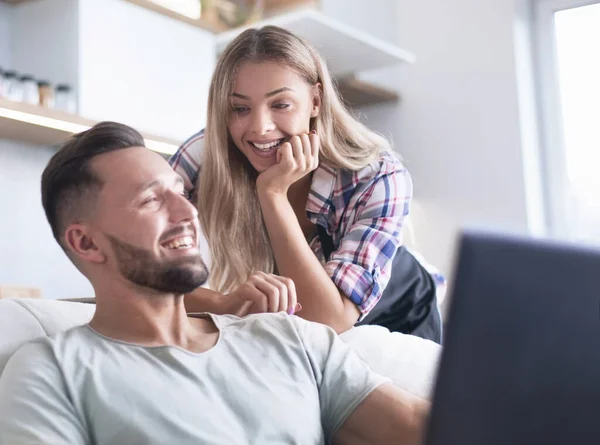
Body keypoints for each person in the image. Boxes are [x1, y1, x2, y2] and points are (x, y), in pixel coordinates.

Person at [0, 122, 428, 445]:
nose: (188, 213)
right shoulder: (52, 372)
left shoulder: (289, 336)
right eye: (152, 200)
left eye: (179, 193)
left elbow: (426, 427)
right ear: (86, 242)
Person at [170, 25, 444, 341]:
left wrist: (272, 194)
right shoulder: (206, 156)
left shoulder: (377, 176)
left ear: (315, 100)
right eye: (240, 108)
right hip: (304, 320)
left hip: (402, 312)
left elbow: (329, 319)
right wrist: (222, 303)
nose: (260, 127)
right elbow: (137, 272)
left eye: (280, 104)